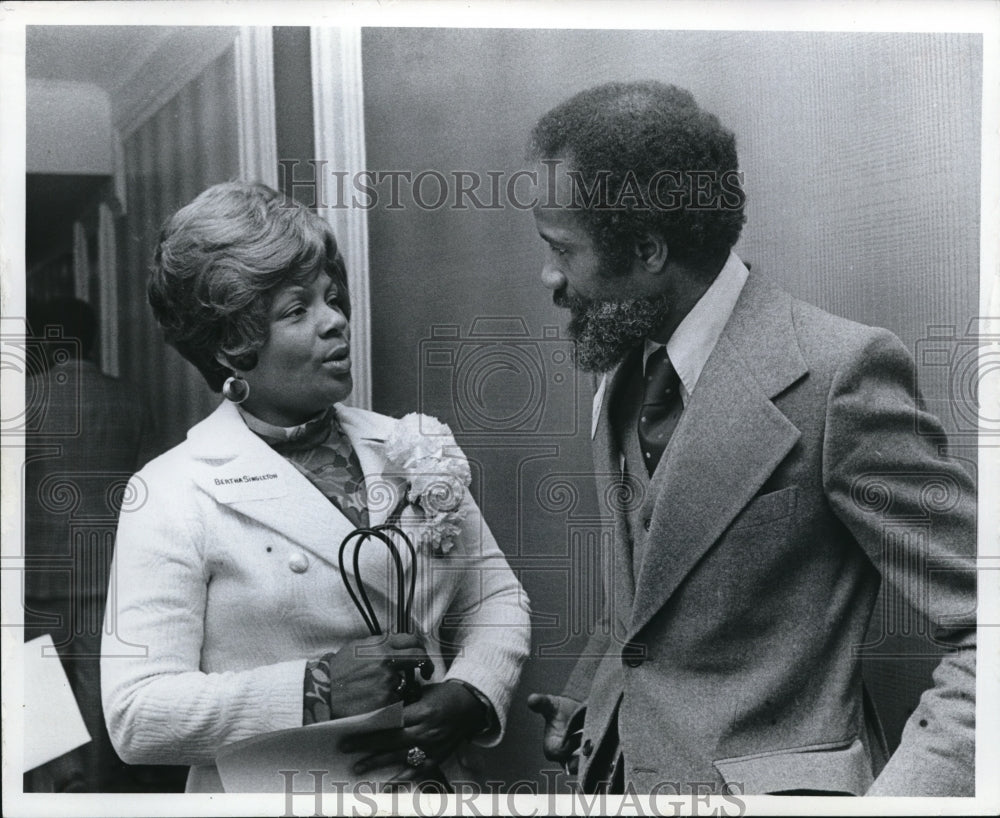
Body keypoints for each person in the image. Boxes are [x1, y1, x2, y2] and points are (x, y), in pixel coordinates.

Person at [525, 81, 976, 796]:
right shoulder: (624, 364)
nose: (549, 277)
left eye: (561, 249)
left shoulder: (840, 377)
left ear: (647, 249)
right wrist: (600, 700)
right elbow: (654, 592)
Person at [101, 181, 531, 793]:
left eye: (332, 296)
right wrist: (316, 688)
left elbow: (496, 599)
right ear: (232, 345)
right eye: (298, 310)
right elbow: (135, 714)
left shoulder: (411, 444)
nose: (335, 321)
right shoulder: (171, 491)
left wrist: (471, 692)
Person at [23, 297, 161, 793]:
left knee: (38, 692)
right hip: (109, 575)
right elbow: (149, 492)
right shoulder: (130, 399)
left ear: (42, 341)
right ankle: (97, 790)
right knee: (99, 691)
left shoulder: (20, 400)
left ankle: (54, 788)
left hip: (36, 577)